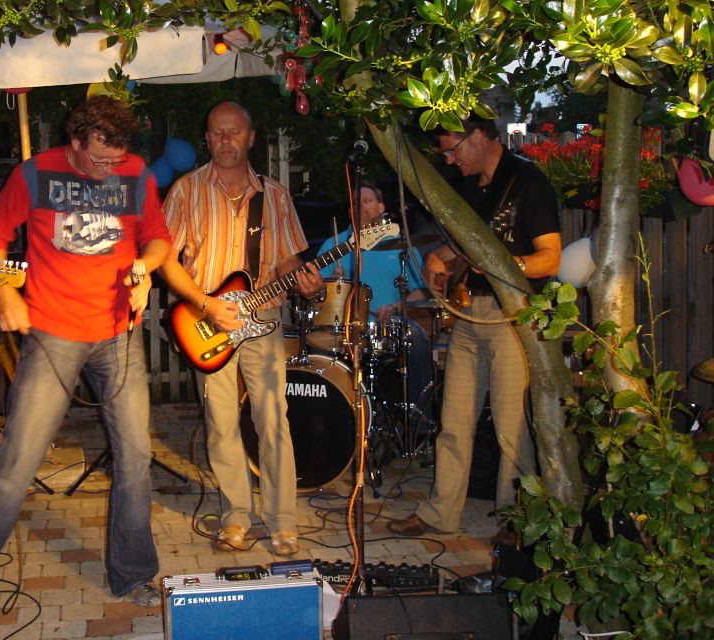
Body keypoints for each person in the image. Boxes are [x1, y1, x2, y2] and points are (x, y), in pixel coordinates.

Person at [0, 96, 171, 614]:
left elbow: (158, 239)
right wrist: (4, 293)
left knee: (136, 457)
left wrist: (145, 269)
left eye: (115, 160)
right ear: (75, 142)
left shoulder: (135, 174)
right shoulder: (36, 173)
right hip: (51, 334)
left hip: (117, 333)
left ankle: (134, 574)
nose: (108, 169)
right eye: (98, 159)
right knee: (17, 460)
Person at [159, 101, 323, 556]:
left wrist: (306, 281)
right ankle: (236, 518)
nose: (225, 140)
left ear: (251, 138)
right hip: (206, 321)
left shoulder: (275, 195)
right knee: (221, 423)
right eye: (217, 132)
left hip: (263, 319)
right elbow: (165, 260)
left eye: (234, 132)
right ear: (207, 138)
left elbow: (287, 260)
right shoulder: (186, 190)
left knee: (272, 420)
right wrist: (205, 303)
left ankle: (282, 522)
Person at [388, 118, 561, 536]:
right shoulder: (470, 186)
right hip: (469, 315)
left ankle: (515, 521)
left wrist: (505, 265)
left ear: (479, 136)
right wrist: (441, 256)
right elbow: (467, 241)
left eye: (453, 150)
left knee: (511, 429)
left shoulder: (528, 182)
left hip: (512, 315)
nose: (450, 160)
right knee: (454, 421)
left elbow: (551, 258)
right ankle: (440, 513)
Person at [315, 181, 434, 434]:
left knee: (417, 337)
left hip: (390, 325)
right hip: (344, 326)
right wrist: (329, 284)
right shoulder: (334, 244)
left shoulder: (400, 245)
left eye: (367, 201)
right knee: (314, 347)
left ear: (381, 208)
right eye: (355, 203)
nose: (360, 206)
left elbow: (421, 291)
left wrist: (396, 307)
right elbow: (313, 291)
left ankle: (419, 425)